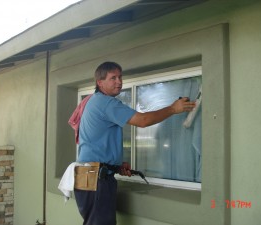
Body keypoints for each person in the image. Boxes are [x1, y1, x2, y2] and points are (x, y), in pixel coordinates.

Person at [74, 61, 195, 225]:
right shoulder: (106, 103)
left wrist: (113, 165)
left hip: (87, 176)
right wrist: (173, 108)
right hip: (97, 179)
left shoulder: (92, 101)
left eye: (120, 77)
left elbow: (97, 141)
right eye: (113, 78)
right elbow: (143, 120)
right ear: (100, 82)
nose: (119, 82)